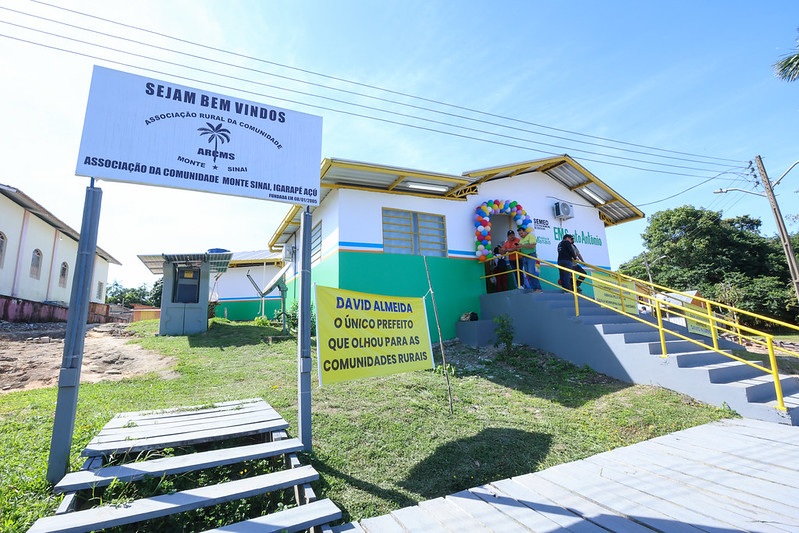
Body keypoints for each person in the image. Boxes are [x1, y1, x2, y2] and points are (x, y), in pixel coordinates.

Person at [517, 227, 543, 292]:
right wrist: (518, 248)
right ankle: (533, 289)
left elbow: (532, 246)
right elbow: (520, 249)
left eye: (521, 233)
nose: (521, 235)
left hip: (531, 255)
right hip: (524, 257)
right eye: (519, 234)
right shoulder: (521, 240)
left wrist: (522, 246)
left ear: (525, 232)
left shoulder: (530, 236)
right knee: (528, 273)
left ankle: (538, 288)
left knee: (532, 272)